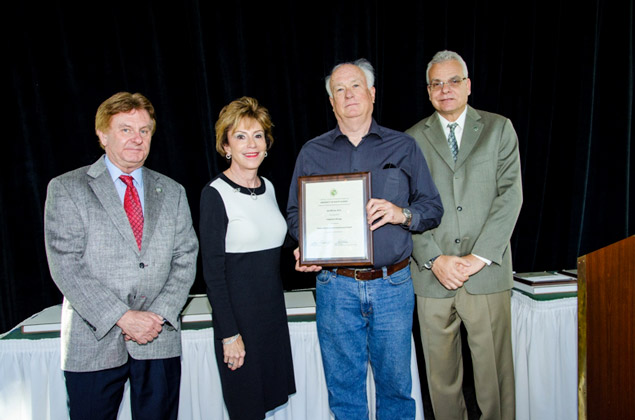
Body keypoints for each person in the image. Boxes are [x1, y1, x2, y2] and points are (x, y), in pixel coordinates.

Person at [286, 59, 443, 419]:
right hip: (335, 286)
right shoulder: (312, 153)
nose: (348, 94)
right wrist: (306, 244)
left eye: (355, 86)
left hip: (393, 285)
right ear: (331, 102)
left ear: (372, 94)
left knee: (396, 390)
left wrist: (401, 213)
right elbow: (296, 215)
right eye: (338, 89)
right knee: (344, 392)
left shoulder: (404, 147)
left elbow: (432, 208)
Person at [44, 92, 199, 420]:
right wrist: (123, 317)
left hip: (158, 337)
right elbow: (65, 264)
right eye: (126, 129)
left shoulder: (172, 191)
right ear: (102, 135)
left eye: (144, 131)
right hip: (93, 341)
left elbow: (186, 256)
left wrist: (157, 315)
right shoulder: (68, 188)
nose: (137, 138)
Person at [406, 50, 523, 420]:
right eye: (436, 83)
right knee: (441, 383)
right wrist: (434, 258)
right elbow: (402, 208)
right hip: (432, 276)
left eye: (453, 81)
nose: (445, 89)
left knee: (495, 382)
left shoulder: (498, 129)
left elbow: (510, 196)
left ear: (468, 85)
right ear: (428, 92)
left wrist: (478, 257)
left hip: (486, 274)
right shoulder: (410, 141)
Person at [199, 96, 296, 420]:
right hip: (239, 325)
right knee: (246, 410)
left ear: (267, 143)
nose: (251, 144)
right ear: (226, 145)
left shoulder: (268, 187)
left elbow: (270, 243)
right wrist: (229, 334)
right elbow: (213, 273)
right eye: (240, 136)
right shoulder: (215, 194)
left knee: (265, 405)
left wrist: (300, 253)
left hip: (271, 319)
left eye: (258, 135)